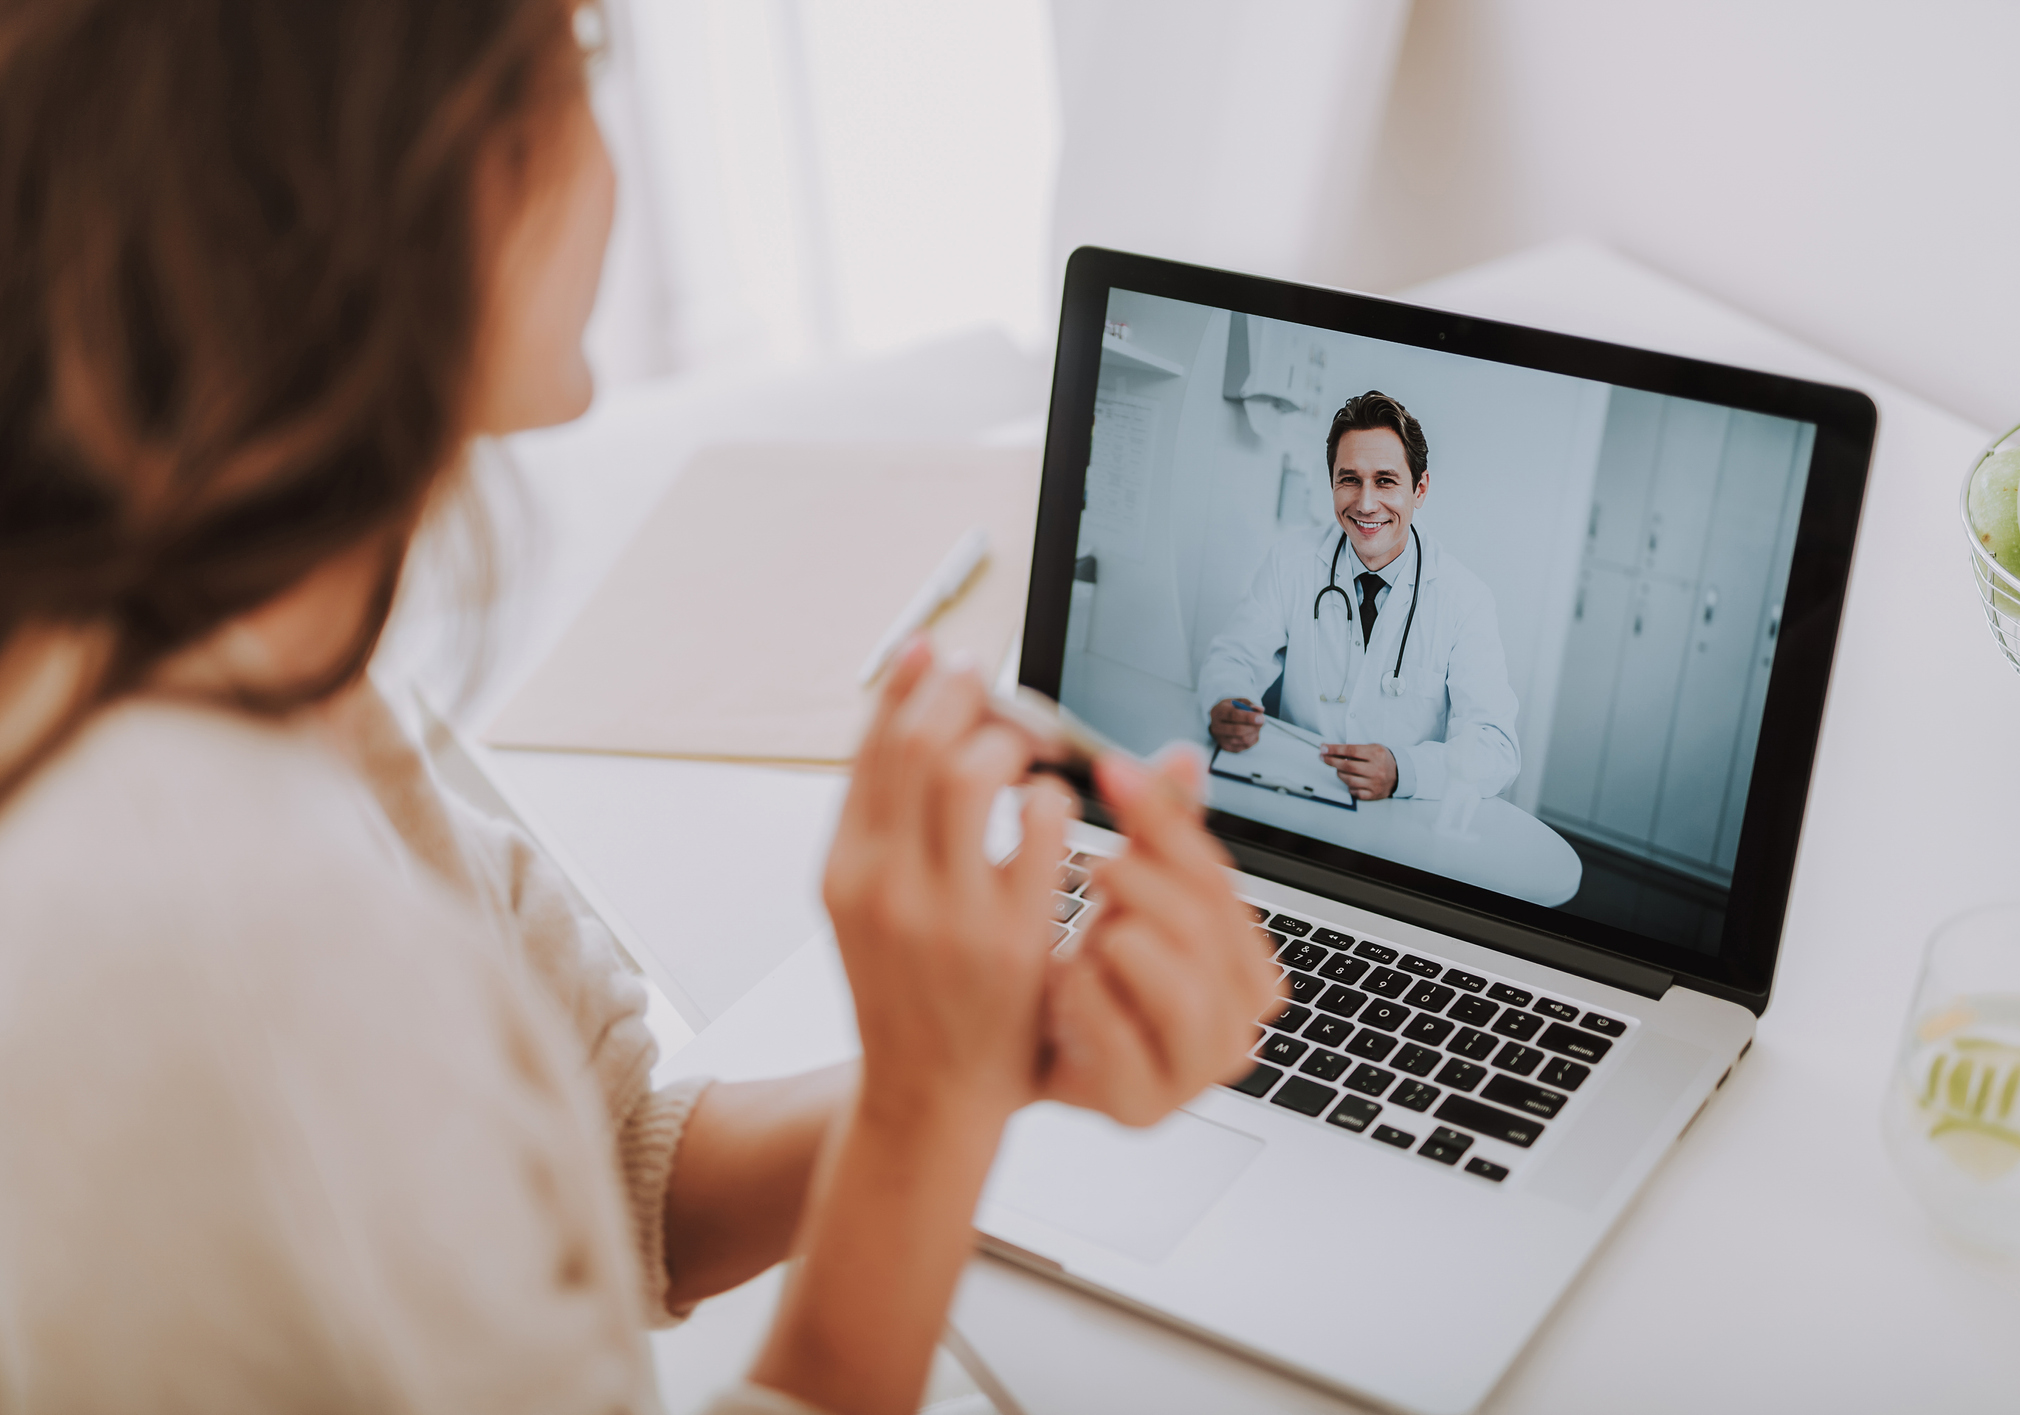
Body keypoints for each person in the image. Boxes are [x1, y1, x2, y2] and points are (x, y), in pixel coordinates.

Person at [0, 5, 1278, 1414]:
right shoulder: (237, 952)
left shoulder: (253, 651)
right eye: (577, 72)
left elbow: (619, 1167)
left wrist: (989, 1050)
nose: (609, 160)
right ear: (405, 171)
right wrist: (918, 1116)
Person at [1198, 390, 1520, 803]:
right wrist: (1226, 702)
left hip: (1399, 820)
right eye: (1350, 479)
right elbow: (1232, 659)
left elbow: (1496, 747)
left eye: (1385, 480)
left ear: (1419, 489)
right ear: (1331, 482)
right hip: (1294, 794)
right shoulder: (1290, 562)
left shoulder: (1465, 600)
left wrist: (1404, 770)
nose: (1366, 504)